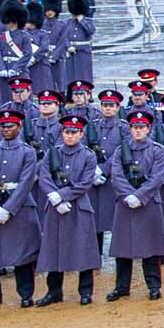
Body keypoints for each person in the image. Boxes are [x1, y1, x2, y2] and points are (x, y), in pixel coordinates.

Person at [0, 106, 45, 307]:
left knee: (22, 254)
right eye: (3, 126)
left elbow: (26, 182)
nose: (6, 129)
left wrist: (9, 208)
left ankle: (25, 294)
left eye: (11, 126)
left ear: (19, 126)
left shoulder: (27, 152)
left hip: (19, 208)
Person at [34, 110, 101, 305]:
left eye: (74, 132)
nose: (70, 136)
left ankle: (85, 291)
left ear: (81, 134)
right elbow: (45, 177)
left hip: (78, 207)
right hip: (55, 206)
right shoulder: (51, 154)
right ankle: (54, 291)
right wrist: (54, 197)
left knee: (83, 249)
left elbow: (85, 182)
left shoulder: (88, 155)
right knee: (53, 249)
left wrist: (63, 196)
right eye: (67, 132)